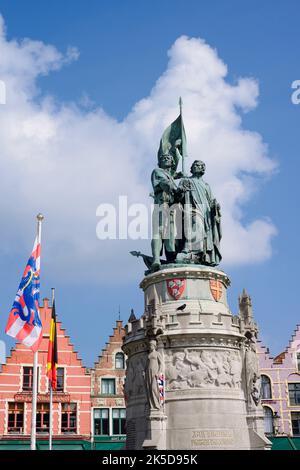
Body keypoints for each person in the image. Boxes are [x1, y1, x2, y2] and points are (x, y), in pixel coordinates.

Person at [179, 160, 222, 266]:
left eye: (201, 166)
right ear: (192, 168)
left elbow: (211, 200)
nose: (199, 167)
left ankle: (203, 255)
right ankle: (190, 251)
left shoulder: (206, 185)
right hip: (192, 208)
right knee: (197, 226)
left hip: (206, 212)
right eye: (196, 165)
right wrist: (181, 190)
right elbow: (178, 196)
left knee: (205, 233)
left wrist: (215, 206)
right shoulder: (186, 181)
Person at [151, 153, 182, 269]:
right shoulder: (157, 171)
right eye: (163, 158)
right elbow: (164, 183)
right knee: (159, 231)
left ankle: (171, 257)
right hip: (162, 205)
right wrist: (176, 188)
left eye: (168, 158)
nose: (166, 159)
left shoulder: (171, 177)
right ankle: (156, 259)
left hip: (172, 207)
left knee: (172, 234)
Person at [145, 340, 163, 410]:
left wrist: (159, 372)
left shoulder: (157, 354)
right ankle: (152, 405)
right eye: (150, 345)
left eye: (151, 345)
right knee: (149, 389)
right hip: (148, 372)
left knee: (154, 388)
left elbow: (161, 363)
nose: (150, 347)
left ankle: (158, 404)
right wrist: (144, 371)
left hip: (155, 372)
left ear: (154, 346)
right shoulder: (149, 355)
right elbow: (146, 365)